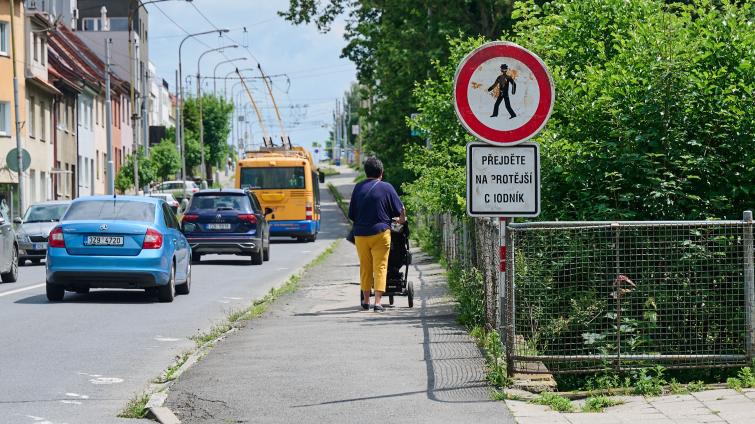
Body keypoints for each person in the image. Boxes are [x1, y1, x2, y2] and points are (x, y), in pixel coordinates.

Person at [349, 157, 406, 312]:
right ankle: (378, 303)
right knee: (380, 266)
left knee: (365, 267)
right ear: (381, 172)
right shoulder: (387, 187)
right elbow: (400, 212)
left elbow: (352, 214)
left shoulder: (358, 187)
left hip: (360, 235)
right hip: (380, 233)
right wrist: (401, 219)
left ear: (365, 172)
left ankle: (366, 301)